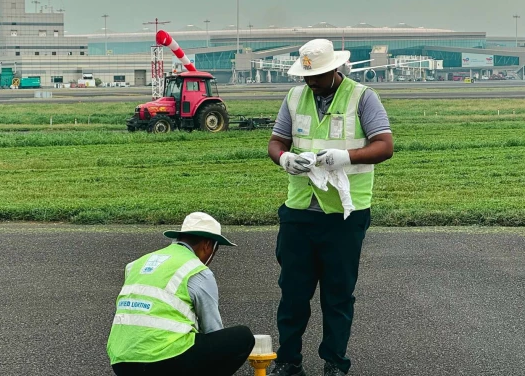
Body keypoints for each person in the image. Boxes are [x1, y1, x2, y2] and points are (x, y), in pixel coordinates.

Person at [266, 39, 394, 376]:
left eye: (318, 76)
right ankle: (288, 360)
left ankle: (335, 362)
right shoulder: (294, 98)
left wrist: (346, 157)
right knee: (292, 293)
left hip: (344, 215)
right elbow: (277, 141)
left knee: (337, 295)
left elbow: (385, 146)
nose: (311, 82)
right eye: (307, 76)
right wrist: (284, 158)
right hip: (299, 211)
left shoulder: (362, 97)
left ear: (335, 69)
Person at [107, 211, 255, 376]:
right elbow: (212, 330)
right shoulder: (197, 270)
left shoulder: (136, 264)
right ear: (207, 245)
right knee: (243, 337)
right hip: (163, 361)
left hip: (121, 361)